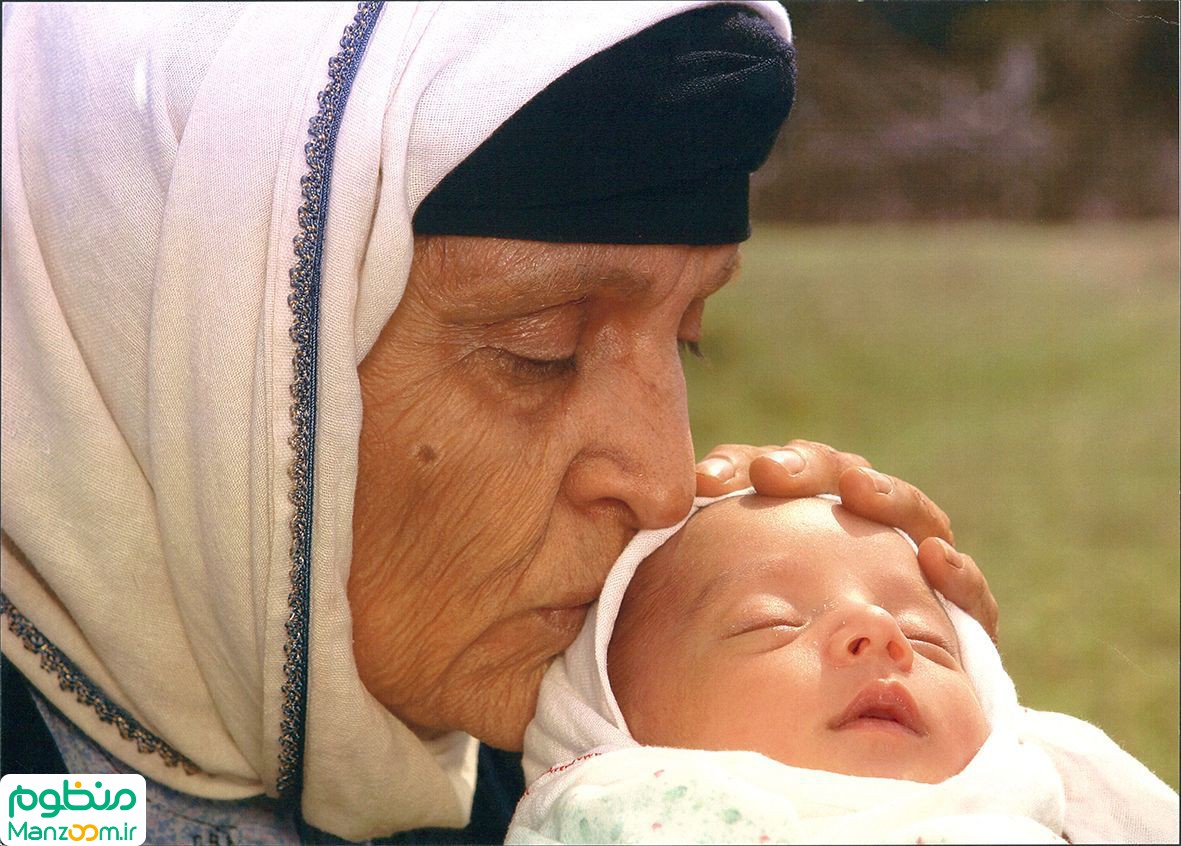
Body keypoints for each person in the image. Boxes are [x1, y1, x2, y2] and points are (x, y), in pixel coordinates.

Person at [1, 3, 997, 842]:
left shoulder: (565, 768)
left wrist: (908, 767)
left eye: (686, 336)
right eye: (542, 349)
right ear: (210, 356)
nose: (659, 481)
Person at [510, 494, 1179, 844]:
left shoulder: (1053, 812)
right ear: (612, 722)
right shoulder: (626, 817)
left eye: (928, 638)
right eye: (771, 621)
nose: (882, 633)